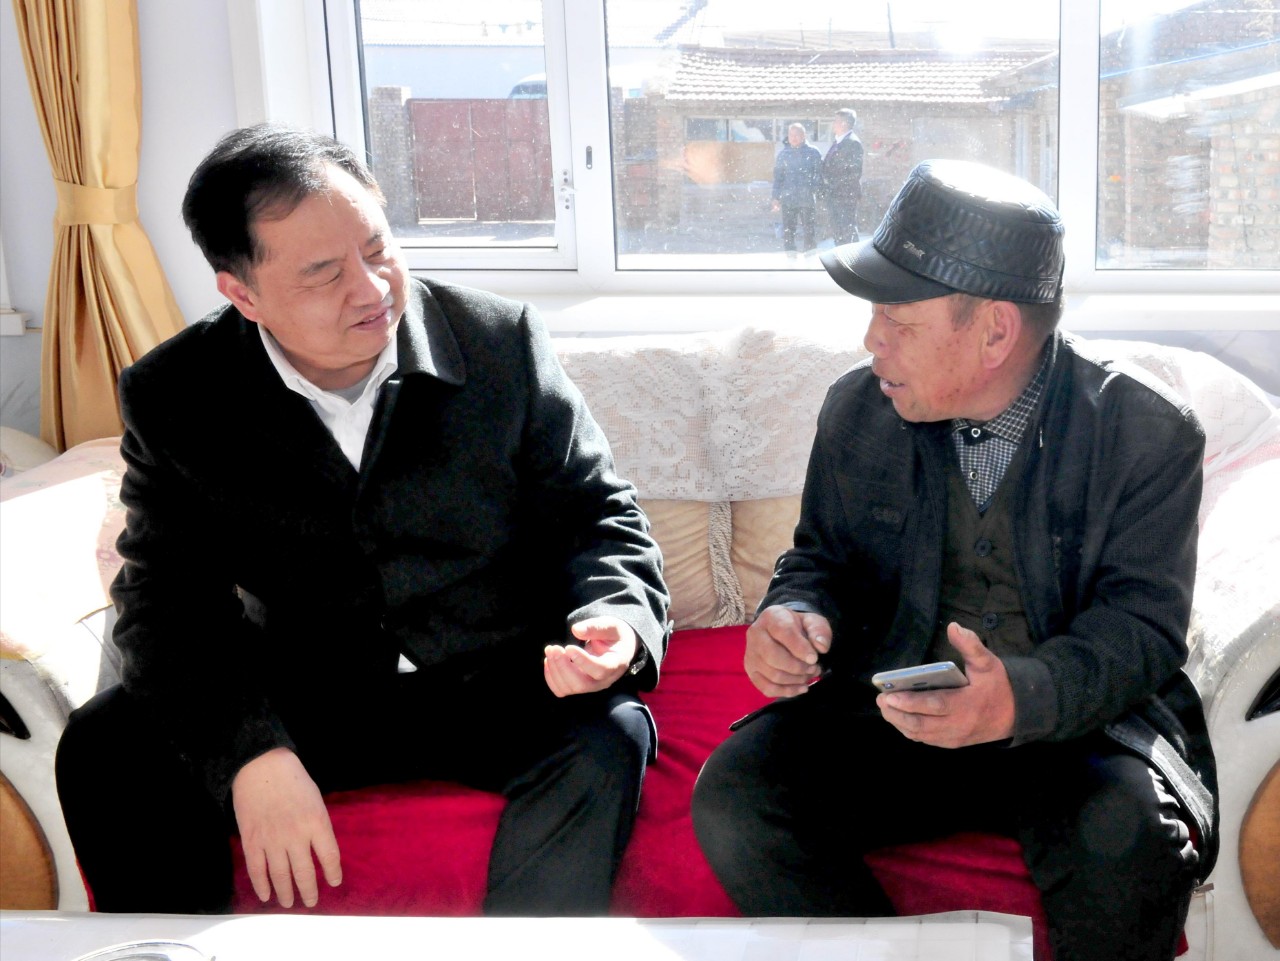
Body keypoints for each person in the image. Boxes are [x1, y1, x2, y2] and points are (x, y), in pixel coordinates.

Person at [55, 124, 670, 916]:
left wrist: (616, 617)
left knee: (609, 733)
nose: (371, 288)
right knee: (107, 746)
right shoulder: (178, 394)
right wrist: (250, 752)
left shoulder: (496, 342)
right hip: (310, 688)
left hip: (496, 674)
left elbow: (597, 513)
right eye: (323, 274)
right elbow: (166, 605)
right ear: (242, 294)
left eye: (378, 249)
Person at [692, 159, 1217, 961]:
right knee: (737, 794)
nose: (872, 341)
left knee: (1133, 846)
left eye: (898, 320)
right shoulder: (857, 409)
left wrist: (1019, 697)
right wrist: (793, 613)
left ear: (995, 332)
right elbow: (819, 558)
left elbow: (1141, 631)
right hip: (897, 710)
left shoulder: (1145, 433)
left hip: (1075, 727)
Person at [771, 123, 823, 256]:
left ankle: (810, 257)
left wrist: (813, 190)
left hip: (807, 199)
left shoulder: (813, 152)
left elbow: (818, 175)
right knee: (788, 231)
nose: (793, 138)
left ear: (803, 135)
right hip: (788, 199)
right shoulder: (784, 154)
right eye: (791, 135)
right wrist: (775, 197)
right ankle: (791, 257)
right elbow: (778, 178)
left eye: (797, 135)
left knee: (809, 231)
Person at [821, 107, 863, 245]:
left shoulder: (852, 143)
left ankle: (852, 257)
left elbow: (854, 173)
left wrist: (835, 186)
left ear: (844, 123)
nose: (833, 124)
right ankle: (842, 254)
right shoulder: (838, 141)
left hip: (845, 195)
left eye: (836, 121)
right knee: (838, 230)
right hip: (835, 194)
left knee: (846, 230)